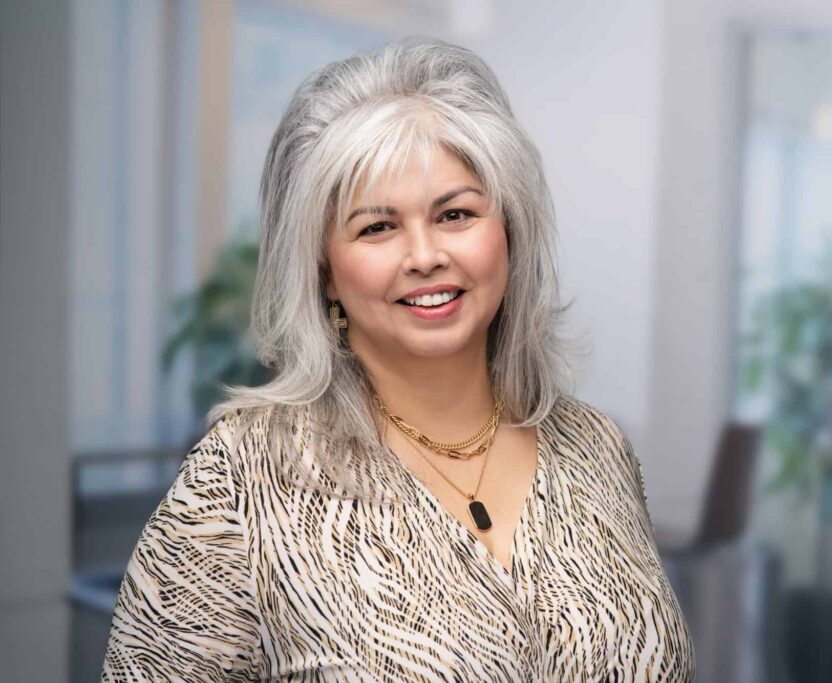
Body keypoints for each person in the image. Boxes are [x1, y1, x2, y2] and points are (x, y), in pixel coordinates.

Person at [102, 38, 696, 682]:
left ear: (510, 232)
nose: (424, 255)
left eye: (456, 214)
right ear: (324, 271)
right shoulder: (241, 482)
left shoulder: (596, 447)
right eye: (377, 228)